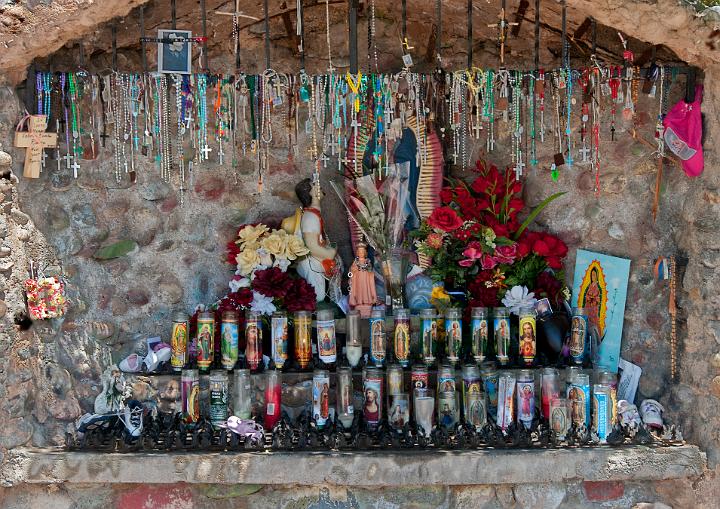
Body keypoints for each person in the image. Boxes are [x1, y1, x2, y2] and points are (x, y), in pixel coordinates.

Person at [282, 177, 340, 302]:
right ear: (311, 193)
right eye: (314, 185)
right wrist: (331, 253)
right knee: (318, 298)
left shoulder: (314, 213)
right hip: (312, 264)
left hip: (315, 260)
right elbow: (312, 247)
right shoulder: (311, 217)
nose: (319, 186)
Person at [348, 242, 378, 318]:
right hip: (358, 280)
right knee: (359, 291)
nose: (361, 253)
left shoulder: (367, 262)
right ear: (358, 253)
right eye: (360, 252)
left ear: (365, 253)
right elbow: (352, 270)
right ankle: (359, 302)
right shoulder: (356, 262)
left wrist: (369, 270)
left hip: (366, 280)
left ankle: (367, 302)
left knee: (366, 290)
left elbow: (371, 271)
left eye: (362, 252)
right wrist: (354, 270)